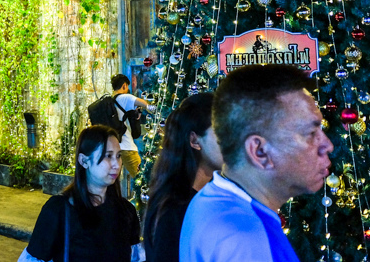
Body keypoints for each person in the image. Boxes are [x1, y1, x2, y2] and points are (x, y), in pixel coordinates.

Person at [180, 65, 334, 261]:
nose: (327, 146)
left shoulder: (211, 198)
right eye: (311, 134)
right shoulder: (246, 239)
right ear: (260, 152)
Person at [21, 125, 140, 262]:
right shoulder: (59, 210)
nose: (117, 165)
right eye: (108, 156)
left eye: (118, 156)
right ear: (84, 161)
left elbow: (135, 257)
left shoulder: (126, 211)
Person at [143, 92, 223, 262]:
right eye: (221, 131)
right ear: (194, 140)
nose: (231, 140)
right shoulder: (174, 208)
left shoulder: (212, 194)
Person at [110, 74, 150, 180]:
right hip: (127, 147)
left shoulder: (112, 100)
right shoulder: (125, 97)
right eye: (127, 87)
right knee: (141, 180)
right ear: (124, 86)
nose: (127, 90)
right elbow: (145, 104)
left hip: (115, 146)